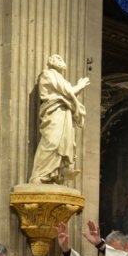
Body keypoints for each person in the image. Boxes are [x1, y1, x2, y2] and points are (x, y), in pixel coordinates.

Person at [30, 54, 90, 185]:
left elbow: (68, 93)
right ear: (51, 62)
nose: (61, 61)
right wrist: (79, 86)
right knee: (51, 141)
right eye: (57, 59)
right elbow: (68, 92)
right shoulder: (47, 74)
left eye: (61, 59)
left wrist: (78, 88)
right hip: (53, 111)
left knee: (64, 142)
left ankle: (54, 174)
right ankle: (39, 174)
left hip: (64, 112)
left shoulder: (62, 79)